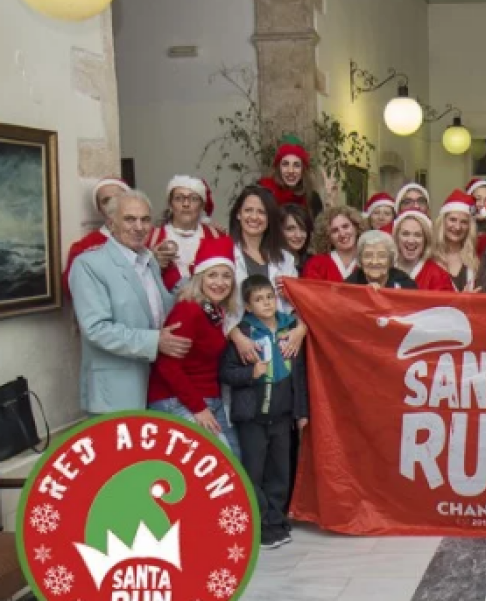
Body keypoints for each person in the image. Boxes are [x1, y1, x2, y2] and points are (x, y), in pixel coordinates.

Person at [71, 190, 189, 414]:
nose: (138, 227)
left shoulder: (149, 261)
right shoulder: (88, 265)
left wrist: (196, 285)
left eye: (145, 220)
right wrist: (155, 341)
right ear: (111, 223)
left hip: (155, 387)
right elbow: (96, 329)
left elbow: (160, 312)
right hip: (115, 393)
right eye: (129, 219)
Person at [221, 274, 309, 549]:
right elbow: (226, 372)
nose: (266, 303)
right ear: (247, 306)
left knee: (280, 471)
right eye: (258, 299)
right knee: (254, 471)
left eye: (269, 296)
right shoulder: (244, 333)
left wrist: (301, 411)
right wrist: (251, 372)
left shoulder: (290, 327)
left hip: (282, 414)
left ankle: (276, 519)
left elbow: (303, 374)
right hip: (252, 416)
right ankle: (258, 523)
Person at [147, 236, 241, 456]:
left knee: (235, 462)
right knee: (221, 464)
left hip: (208, 398)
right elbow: (168, 366)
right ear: (200, 278)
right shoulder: (189, 310)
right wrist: (198, 408)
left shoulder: (215, 311)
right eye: (213, 275)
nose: (220, 282)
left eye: (226, 276)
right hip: (177, 400)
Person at [223, 186, 304, 364]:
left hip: (280, 346)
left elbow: (299, 304)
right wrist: (237, 337)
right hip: (239, 347)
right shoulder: (224, 252)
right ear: (238, 214)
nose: (254, 217)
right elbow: (213, 304)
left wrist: (301, 330)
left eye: (261, 212)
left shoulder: (285, 259)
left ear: (269, 219)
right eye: (248, 210)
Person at [145, 175, 228, 291]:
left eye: (193, 199)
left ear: (202, 205)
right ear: (170, 204)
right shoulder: (151, 237)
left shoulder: (217, 237)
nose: (186, 204)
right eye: (179, 198)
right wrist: (153, 263)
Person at [63, 176, 130, 300]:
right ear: (99, 209)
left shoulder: (148, 237)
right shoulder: (84, 247)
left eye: (119, 197)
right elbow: (70, 289)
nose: (113, 204)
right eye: (106, 200)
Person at [387, 210, 457, 291]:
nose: (411, 241)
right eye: (405, 234)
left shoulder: (438, 276)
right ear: (396, 237)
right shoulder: (385, 269)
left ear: (426, 240)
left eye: (418, 235)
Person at [258, 135, 325, 217]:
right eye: (285, 164)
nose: (291, 170)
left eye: (296, 165)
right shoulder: (263, 191)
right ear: (279, 168)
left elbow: (321, 228)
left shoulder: (312, 199)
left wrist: (330, 200)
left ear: (303, 170)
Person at [303, 206, 365, 282]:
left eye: (345, 226)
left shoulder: (370, 261)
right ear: (327, 237)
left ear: (356, 227)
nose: (342, 234)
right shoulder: (316, 264)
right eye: (335, 230)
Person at [433, 190, 480, 291]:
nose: (458, 227)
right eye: (452, 220)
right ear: (443, 221)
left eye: (464, 222)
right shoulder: (429, 256)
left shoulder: (477, 260)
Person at [347, 229, 417, 289]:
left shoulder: (407, 285)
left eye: (382, 256)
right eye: (368, 255)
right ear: (360, 259)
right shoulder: (349, 286)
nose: (374, 262)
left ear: (390, 260)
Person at [282, 204, 313, 274]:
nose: (298, 235)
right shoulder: (270, 263)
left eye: (303, 229)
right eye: (291, 229)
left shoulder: (313, 262)